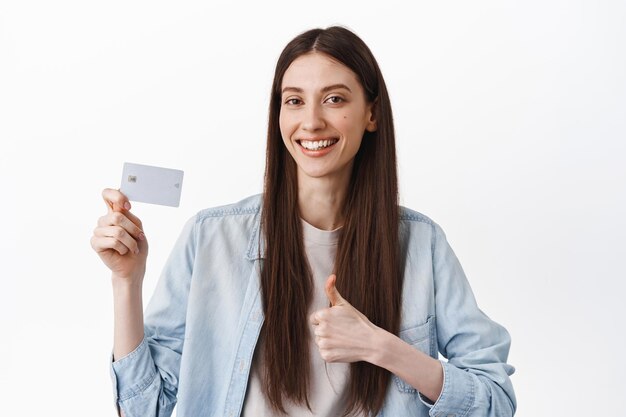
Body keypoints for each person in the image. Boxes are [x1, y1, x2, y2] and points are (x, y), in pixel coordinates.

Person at [91, 26, 516, 417]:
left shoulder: (421, 244)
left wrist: (382, 347)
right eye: (294, 100)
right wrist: (127, 281)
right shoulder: (212, 238)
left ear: (371, 114)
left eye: (334, 99)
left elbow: (495, 400)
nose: (311, 121)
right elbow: (146, 408)